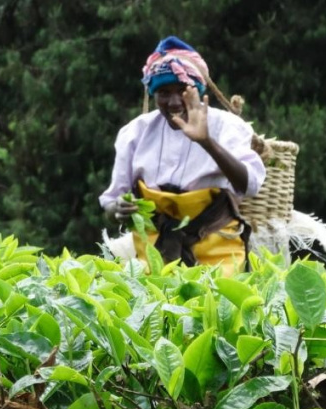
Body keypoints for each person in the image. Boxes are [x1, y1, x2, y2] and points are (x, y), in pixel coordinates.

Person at [100, 36, 266, 276]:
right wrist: (118, 209)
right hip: (153, 254)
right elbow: (111, 202)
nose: (174, 102)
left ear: (198, 90)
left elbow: (250, 184)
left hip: (217, 252)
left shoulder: (227, 126)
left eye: (183, 91)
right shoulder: (135, 133)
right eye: (164, 92)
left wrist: (206, 142)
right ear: (153, 93)